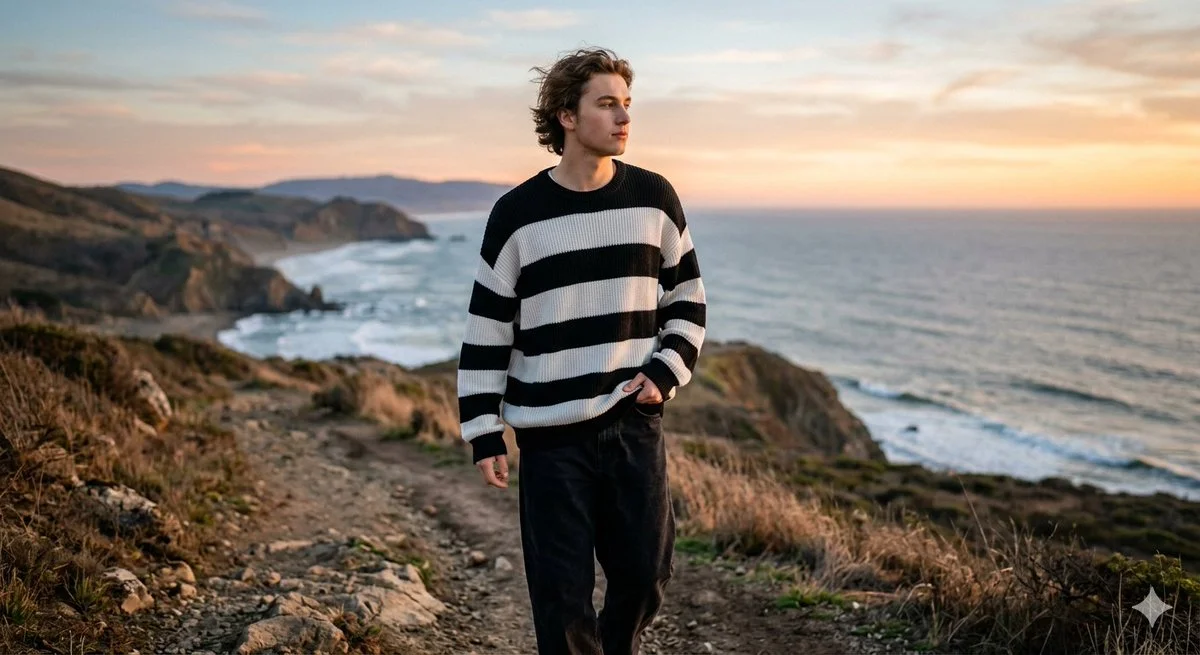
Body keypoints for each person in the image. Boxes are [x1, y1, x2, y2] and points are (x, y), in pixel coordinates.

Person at [456, 46, 707, 655]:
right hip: (551, 440)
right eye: (606, 104)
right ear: (567, 115)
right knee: (561, 596)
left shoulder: (655, 198)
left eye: (627, 104)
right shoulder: (516, 214)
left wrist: (662, 377)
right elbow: (488, 328)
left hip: (633, 424)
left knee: (645, 579)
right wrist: (484, 431)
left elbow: (688, 301)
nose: (624, 118)